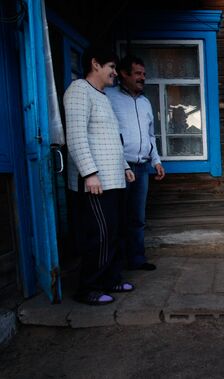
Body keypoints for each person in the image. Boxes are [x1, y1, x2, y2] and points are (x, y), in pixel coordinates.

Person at [64, 45, 135, 305]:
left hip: (113, 179)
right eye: (112, 67)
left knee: (115, 232)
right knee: (100, 235)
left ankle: (111, 279)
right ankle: (88, 288)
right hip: (95, 182)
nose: (115, 73)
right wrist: (90, 174)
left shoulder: (102, 95)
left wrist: (125, 166)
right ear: (95, 64)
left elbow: (112, 140)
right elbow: (76, 136)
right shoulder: (79, 91)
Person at [106, 55, 165, 271]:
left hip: (142, 168)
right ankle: (117, 263)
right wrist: (121, 164)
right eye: (138, 73)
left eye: (144, 74)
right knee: (118, 217)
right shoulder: (109, 97)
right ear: (123, 74)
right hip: (119, 167)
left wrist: (156, 161)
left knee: (137, 217)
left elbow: (151, 135)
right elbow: (109, 135)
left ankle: (137, 259)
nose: (143, 78)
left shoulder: (145, 102)